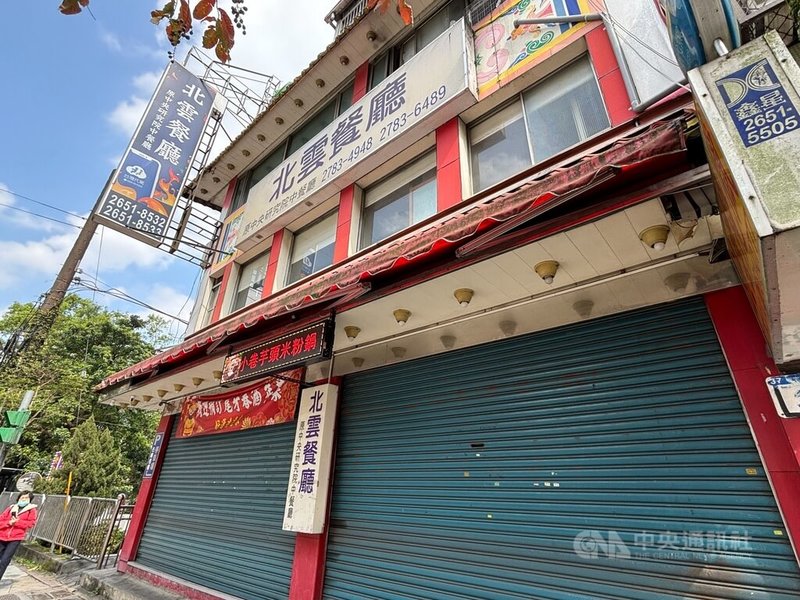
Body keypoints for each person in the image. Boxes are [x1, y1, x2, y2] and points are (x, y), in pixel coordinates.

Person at [0, 492, 37, 580]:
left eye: (26, 498)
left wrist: (18, 522)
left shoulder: (31, 510)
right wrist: (9, 523)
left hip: (15, 538)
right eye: (22, 497)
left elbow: (31, 523)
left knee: (5, 560)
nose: (23, 499)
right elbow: (1, 520)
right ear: (18, 498)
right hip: (2, 536)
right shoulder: (11, 508)